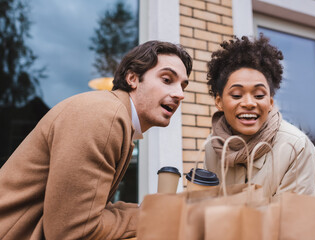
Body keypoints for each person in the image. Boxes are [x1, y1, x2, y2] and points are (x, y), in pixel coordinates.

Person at [0, 40, 192, 239]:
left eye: (183, 86)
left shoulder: (115, 117)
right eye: (167, 80)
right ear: (133, 78)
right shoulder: (104, 116)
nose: (180, 94)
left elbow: (90, 209)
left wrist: (148, 210)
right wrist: (151, 217)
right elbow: (73, 231)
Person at [204, 34, 315, 198]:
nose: (249, 103)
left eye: (259, 95)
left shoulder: (296, 146)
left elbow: (291, 219)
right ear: (219, 102)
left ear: (270, 102)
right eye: (236, 95)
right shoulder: (212, 146)